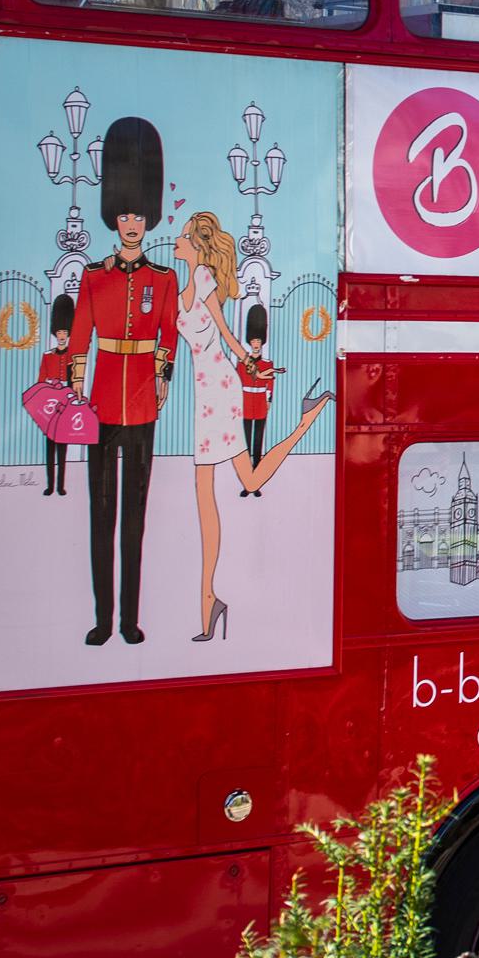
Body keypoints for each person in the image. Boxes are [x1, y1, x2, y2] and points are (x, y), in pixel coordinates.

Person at [173, 210, 335, 641]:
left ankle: (208, 601)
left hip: (219, 388)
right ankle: (306, 419)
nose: (178, 241)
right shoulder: (184, 286)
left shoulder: (203, 280)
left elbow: (227, 334)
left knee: (208, 491)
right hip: (206, 393)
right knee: (244, 477)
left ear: (196, 243)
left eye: (184, 236)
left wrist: (253, 367)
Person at [68, 117, 175, 647]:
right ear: (116, 217)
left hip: (142, 409)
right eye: (126, 214)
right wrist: (74, 393)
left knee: (134, 520)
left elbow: (169, 337)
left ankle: (129, 620)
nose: (132, 223)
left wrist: (162, 379)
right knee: (100, 516)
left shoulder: (164, 279)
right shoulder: (95, 276)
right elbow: (79, 343)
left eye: (139, 215)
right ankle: (101, 619)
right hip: (102, 403)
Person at [236, 302, 282, 479]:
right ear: (250, 341)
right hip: (246, 402)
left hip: (260, 402)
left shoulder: (267, 364)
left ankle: (257, 470)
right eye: (254, 341)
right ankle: (247, 470)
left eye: (258, 341)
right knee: (246, 438)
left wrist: (268, 400)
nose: (256, 344)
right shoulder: (242, 364)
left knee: (258, 440)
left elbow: (270, 383)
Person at [37, 296, 75, 496]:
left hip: (66, 407)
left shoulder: (72, 357)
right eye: (59, 332)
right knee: (49, 448)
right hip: (50, 408)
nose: (62, 335)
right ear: (55, 333)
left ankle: (61, 485)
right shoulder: (47, 356)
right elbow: (41, 380)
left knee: (62, 449)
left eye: (65, 332)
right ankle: (50, 485)